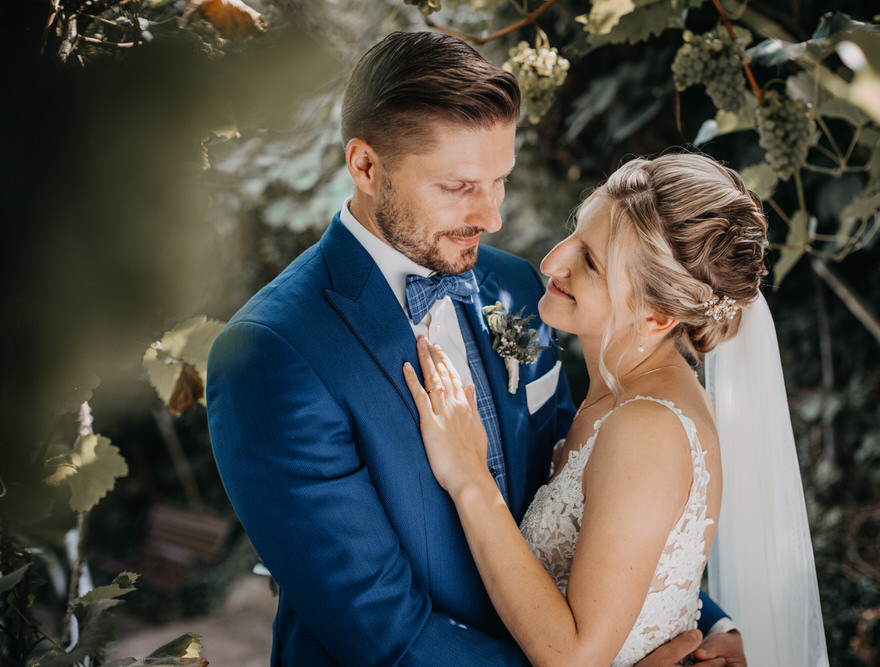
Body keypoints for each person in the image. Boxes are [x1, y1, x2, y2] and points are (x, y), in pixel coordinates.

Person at [207, 31, 743, 666]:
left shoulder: (518, 289)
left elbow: (584, 486)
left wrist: (697, 622)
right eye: (459, 187)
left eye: (500, 181)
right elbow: (386, 635)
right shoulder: (270, 356)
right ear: (366, 166)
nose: (491, 217)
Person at [405, 153, 829, 666]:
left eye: (590, 262)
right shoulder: (621, 394)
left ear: (655, 315)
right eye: (574, 233)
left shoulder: (647, 428)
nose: (552, 262)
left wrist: (470, 478)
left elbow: (574, 657)